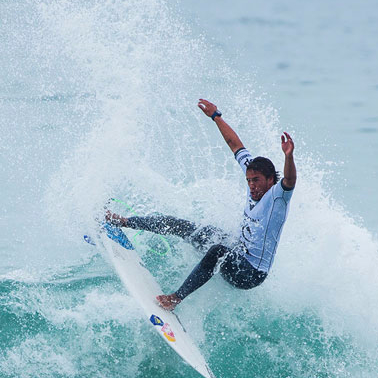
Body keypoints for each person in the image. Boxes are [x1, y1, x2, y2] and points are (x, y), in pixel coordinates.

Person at [106, 98, 296, 310]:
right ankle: (124, 221)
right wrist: (216, 116)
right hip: (238, 251)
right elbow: (235, 145)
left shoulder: (277, 198)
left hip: (250, 274)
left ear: (270, 180)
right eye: (249, 180)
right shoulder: (253, 173)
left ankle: (175, 299)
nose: (251, 185)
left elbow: (289, 180)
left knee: (217, 251)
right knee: (186, 227)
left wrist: (289, 157)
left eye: (256, 181)